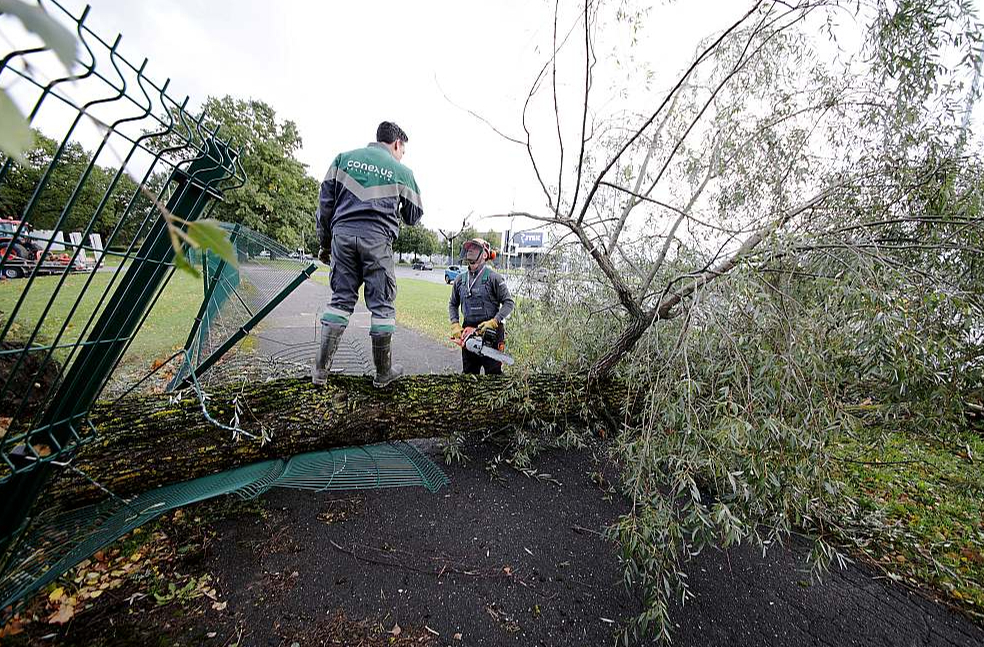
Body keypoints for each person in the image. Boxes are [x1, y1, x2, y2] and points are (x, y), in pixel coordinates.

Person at [312, 121, 423, 388]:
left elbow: (324, 206)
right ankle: (383, 373)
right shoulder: (402, 171)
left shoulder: (342, 160)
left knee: (340, 300)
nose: (401, 155)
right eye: (403, 150)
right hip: (377, 241)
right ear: (397, 144)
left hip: (342, 237)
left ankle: (319, 372)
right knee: (382, 307)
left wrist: (325, 244)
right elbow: (414, 216)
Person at [448, 238, 515, 374]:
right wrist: (455, 323)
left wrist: (495, 321)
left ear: (484, 254)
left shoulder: (494, 278)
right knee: (469, 374)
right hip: (468, 331)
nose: (470, 250)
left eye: (475, 248)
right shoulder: (460, 280)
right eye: (469, 248)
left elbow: (509, 303)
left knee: (494, 374)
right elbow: (453, 303)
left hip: (492, 332)